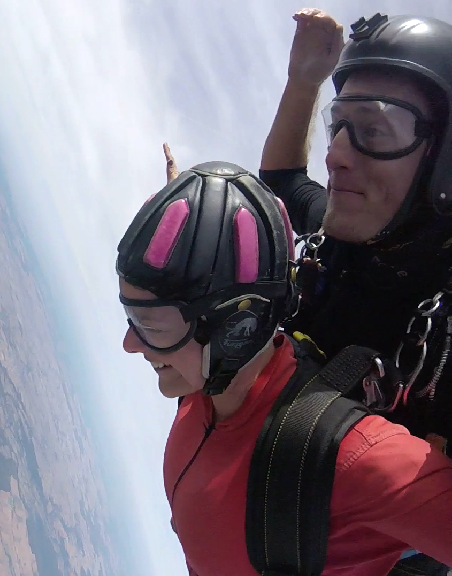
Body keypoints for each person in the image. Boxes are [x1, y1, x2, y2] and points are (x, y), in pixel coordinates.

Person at [118, 161, 452, 576]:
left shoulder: (349, 455)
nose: (130, 343)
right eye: (132, 318)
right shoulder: (204, 384)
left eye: (151, 326)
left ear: (236, 329)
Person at [257, 11, 452, 574]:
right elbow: (284, 182)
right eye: (338, 126)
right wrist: (304, 81)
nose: (336, 154)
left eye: (374, 131)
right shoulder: (346, 237)